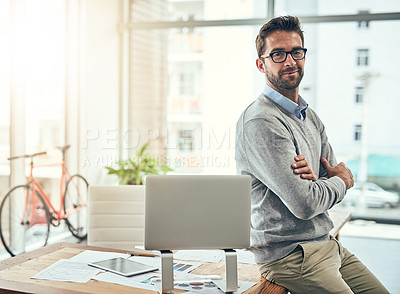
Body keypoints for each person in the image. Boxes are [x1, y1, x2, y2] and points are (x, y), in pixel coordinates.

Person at [235, 15, 389, 293]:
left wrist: (323, 182)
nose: (290, 61)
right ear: (261, 64)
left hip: (327, 244)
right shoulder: (261, 121)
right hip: (291, 256)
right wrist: (337, 182)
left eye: (296, 52)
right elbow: (305, 203)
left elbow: (332, 176)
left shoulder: (309, 117)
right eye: (278, 54)